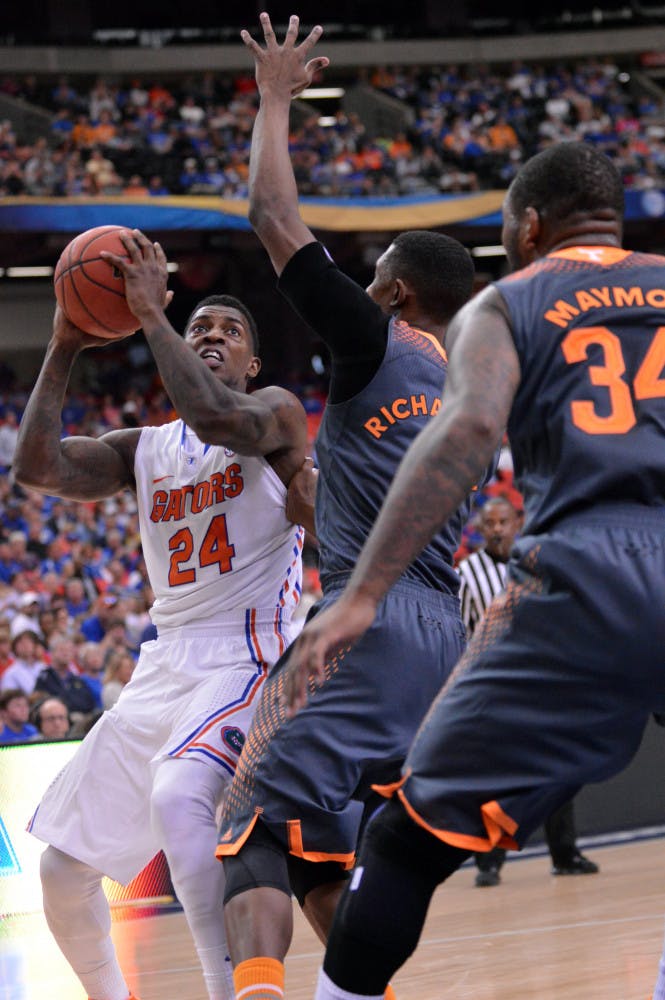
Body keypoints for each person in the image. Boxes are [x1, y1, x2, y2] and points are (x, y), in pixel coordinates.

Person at [283, 139, 665, 1000]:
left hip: (587, 570)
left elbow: (460, 436)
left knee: (401, 841)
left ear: (530, 225)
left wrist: (365, 591)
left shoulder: (511, 300)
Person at [215, 15, 476, 1000]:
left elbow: (270, 217)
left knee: (242, 819)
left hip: (362, 621)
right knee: (332, 842)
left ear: (396, 291)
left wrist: (275, 98)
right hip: (437, 636)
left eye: (371, 283)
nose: (359, 292)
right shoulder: (475, 389)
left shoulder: (377, 341)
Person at [13, 247, 308, 1000]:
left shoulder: (270, 411)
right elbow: (36, 467)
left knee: (180, 797)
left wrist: (151, 310)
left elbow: (212, 415)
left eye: (227, 330)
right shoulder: (141, 450)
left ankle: (227, 991)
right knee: (60, 869)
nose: (210, 332)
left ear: (252, 362)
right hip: (166, 661)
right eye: (198, 323)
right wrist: (63, 342)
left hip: (249, 655)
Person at [460, 497, 598, 886]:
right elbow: (460, 632)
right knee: (497, 777)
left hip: (543, 682)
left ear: (518, 521)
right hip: (493, 687)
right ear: (480, 528)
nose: (498, 529)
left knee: (557, 768)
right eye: (490, 524)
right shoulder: (467, 574)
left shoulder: (539, 562)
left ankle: (565, 853)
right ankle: (489, 860)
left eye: (504, 521)